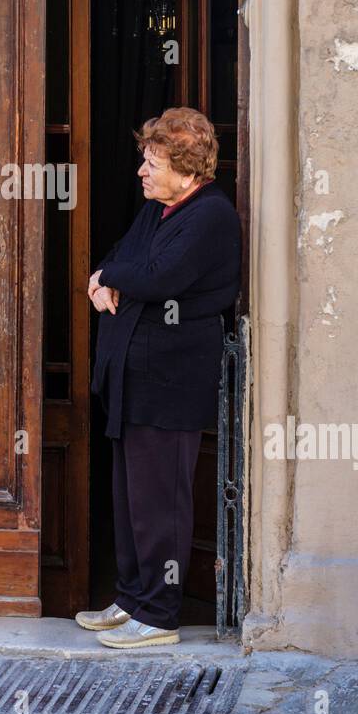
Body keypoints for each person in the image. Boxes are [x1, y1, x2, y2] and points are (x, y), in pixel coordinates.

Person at [77, 107, 241, 648]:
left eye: (153, 162)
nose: (142, 172)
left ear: (188, 167)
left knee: (161, 499)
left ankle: (159, 614)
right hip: (133, 377)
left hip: (170, 381)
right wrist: (106, 277)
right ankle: (131, 598)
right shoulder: (160, 209)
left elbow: (159, 277)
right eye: (144, 161)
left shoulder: (210, 214)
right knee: (130, 498)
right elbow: (125, 257)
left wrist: (109, 276)